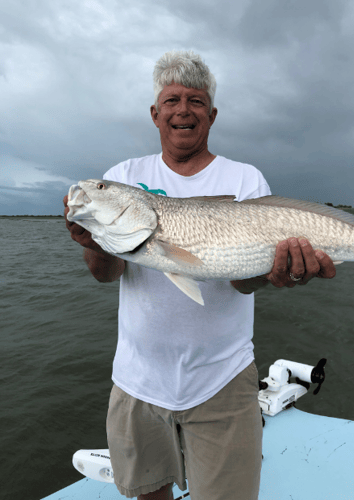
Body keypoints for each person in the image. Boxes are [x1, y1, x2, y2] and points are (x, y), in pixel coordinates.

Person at [64, 50, 336, 500]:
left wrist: (278, 273)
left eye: (195, 101)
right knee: (148, 492)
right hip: (137, 381)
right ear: (155, 114)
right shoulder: (125, 175)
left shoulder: (245, 179)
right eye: (172, 100)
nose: (182, 110)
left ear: (211, 115)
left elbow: (241, 279)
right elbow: (105, 275)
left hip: (223, 379)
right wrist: (93, 241)